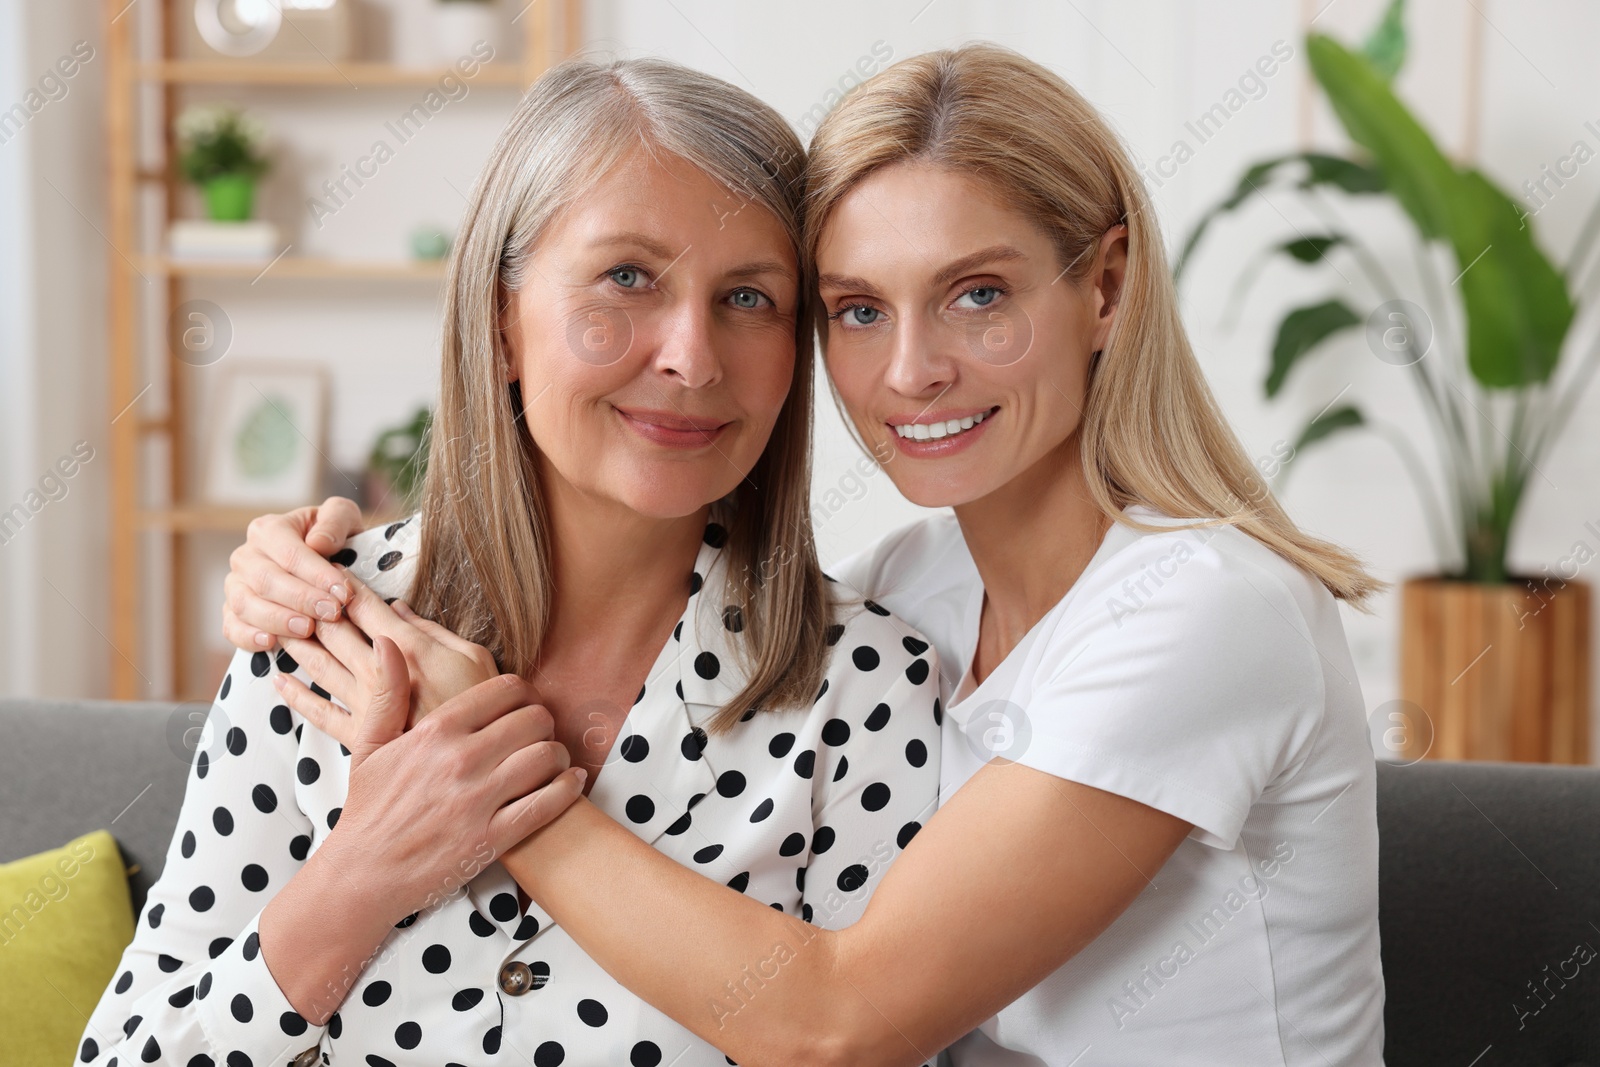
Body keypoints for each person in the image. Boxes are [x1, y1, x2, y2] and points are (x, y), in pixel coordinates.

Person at [221, 43, 1387, 1066]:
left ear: (1107, 286)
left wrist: (475, 774)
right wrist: (301, 559)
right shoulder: (911, 590)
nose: (911, 371)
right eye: (858, 309)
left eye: (976, 294)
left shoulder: (1204, 611)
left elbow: (838, 1026)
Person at [76, 57, 942, 1067]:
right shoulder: (323, 621)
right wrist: (362, 873)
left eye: (749, 297)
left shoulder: (864, 682)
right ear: (500, 324)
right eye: (628, 277)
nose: (692, 357)